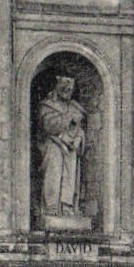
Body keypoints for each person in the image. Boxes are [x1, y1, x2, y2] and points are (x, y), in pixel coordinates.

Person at [38, 76, 86, 218]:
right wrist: (67, 118)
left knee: (70, 173)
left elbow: (80, 128)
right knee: (54, 166)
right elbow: (47, 126)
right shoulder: (47, 105)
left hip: (70, 147)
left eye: (70, 88)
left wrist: (78, 138)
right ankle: (51, 206)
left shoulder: (74, 107)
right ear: (57, 86)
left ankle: (67, 206)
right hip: (53, 144)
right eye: (64, 87)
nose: (67, 90)